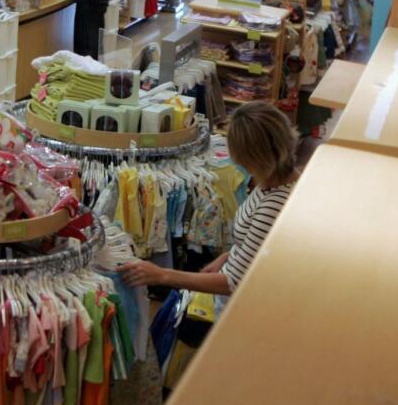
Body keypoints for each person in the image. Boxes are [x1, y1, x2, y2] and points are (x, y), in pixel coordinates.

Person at [119, 101, 299, 295]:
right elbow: (260, 247)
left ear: (256, 157)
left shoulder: (274, 206)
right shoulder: (276, 181)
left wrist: (162, 275)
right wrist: (228, 257)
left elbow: (232, 283)